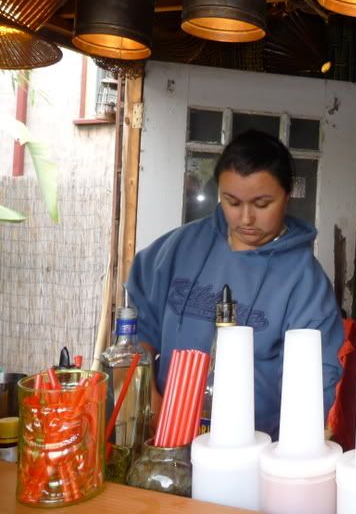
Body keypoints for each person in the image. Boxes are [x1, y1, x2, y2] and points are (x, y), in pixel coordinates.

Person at [126, 129, 344, 439]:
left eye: (262, 204)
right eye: (232, 202)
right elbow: (136, 334)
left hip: (255, 447)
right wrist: (149, 399)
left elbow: (314, 385)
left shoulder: (305, 281)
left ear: (287, 195)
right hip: (165, 438)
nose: (245, 219)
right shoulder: (178, 249)